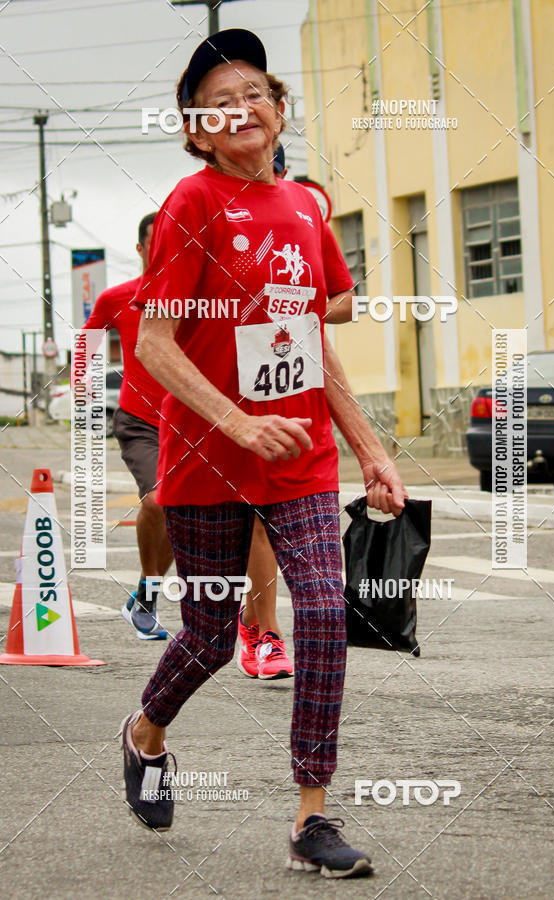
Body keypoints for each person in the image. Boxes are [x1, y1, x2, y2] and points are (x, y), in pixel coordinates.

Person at [120, 29, 407, 878]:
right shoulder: (191, 204)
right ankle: (145, 734)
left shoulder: (304, 213)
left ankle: (311, 818)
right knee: (210, 635)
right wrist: (238, 423)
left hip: (300, 460)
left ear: (280, 110)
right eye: (215, 103)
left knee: (321, 613)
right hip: (208, 459)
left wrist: (370, 449)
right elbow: (155, 344)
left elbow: (313, 341)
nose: (237, 108)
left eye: (252, 91)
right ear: (198, 131)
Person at [237, 144, 354, 680]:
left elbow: (345, 302)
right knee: (257, 519)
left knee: (293, 537)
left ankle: (262, 626)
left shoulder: (304, 214)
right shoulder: (220, 218)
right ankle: (264, 631)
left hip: (300, 392)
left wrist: (292, 303)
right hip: (239, 402)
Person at [75, 214, 171, 639]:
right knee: (157, 501)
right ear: (140, 249)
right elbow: (87, 346)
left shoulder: (201, 298)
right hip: (140, 421)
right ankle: (149, 596)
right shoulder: (119, 298)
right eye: (156, 241)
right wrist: (84, 403)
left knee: (182, 516)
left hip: (192, 425)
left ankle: (144, 593)